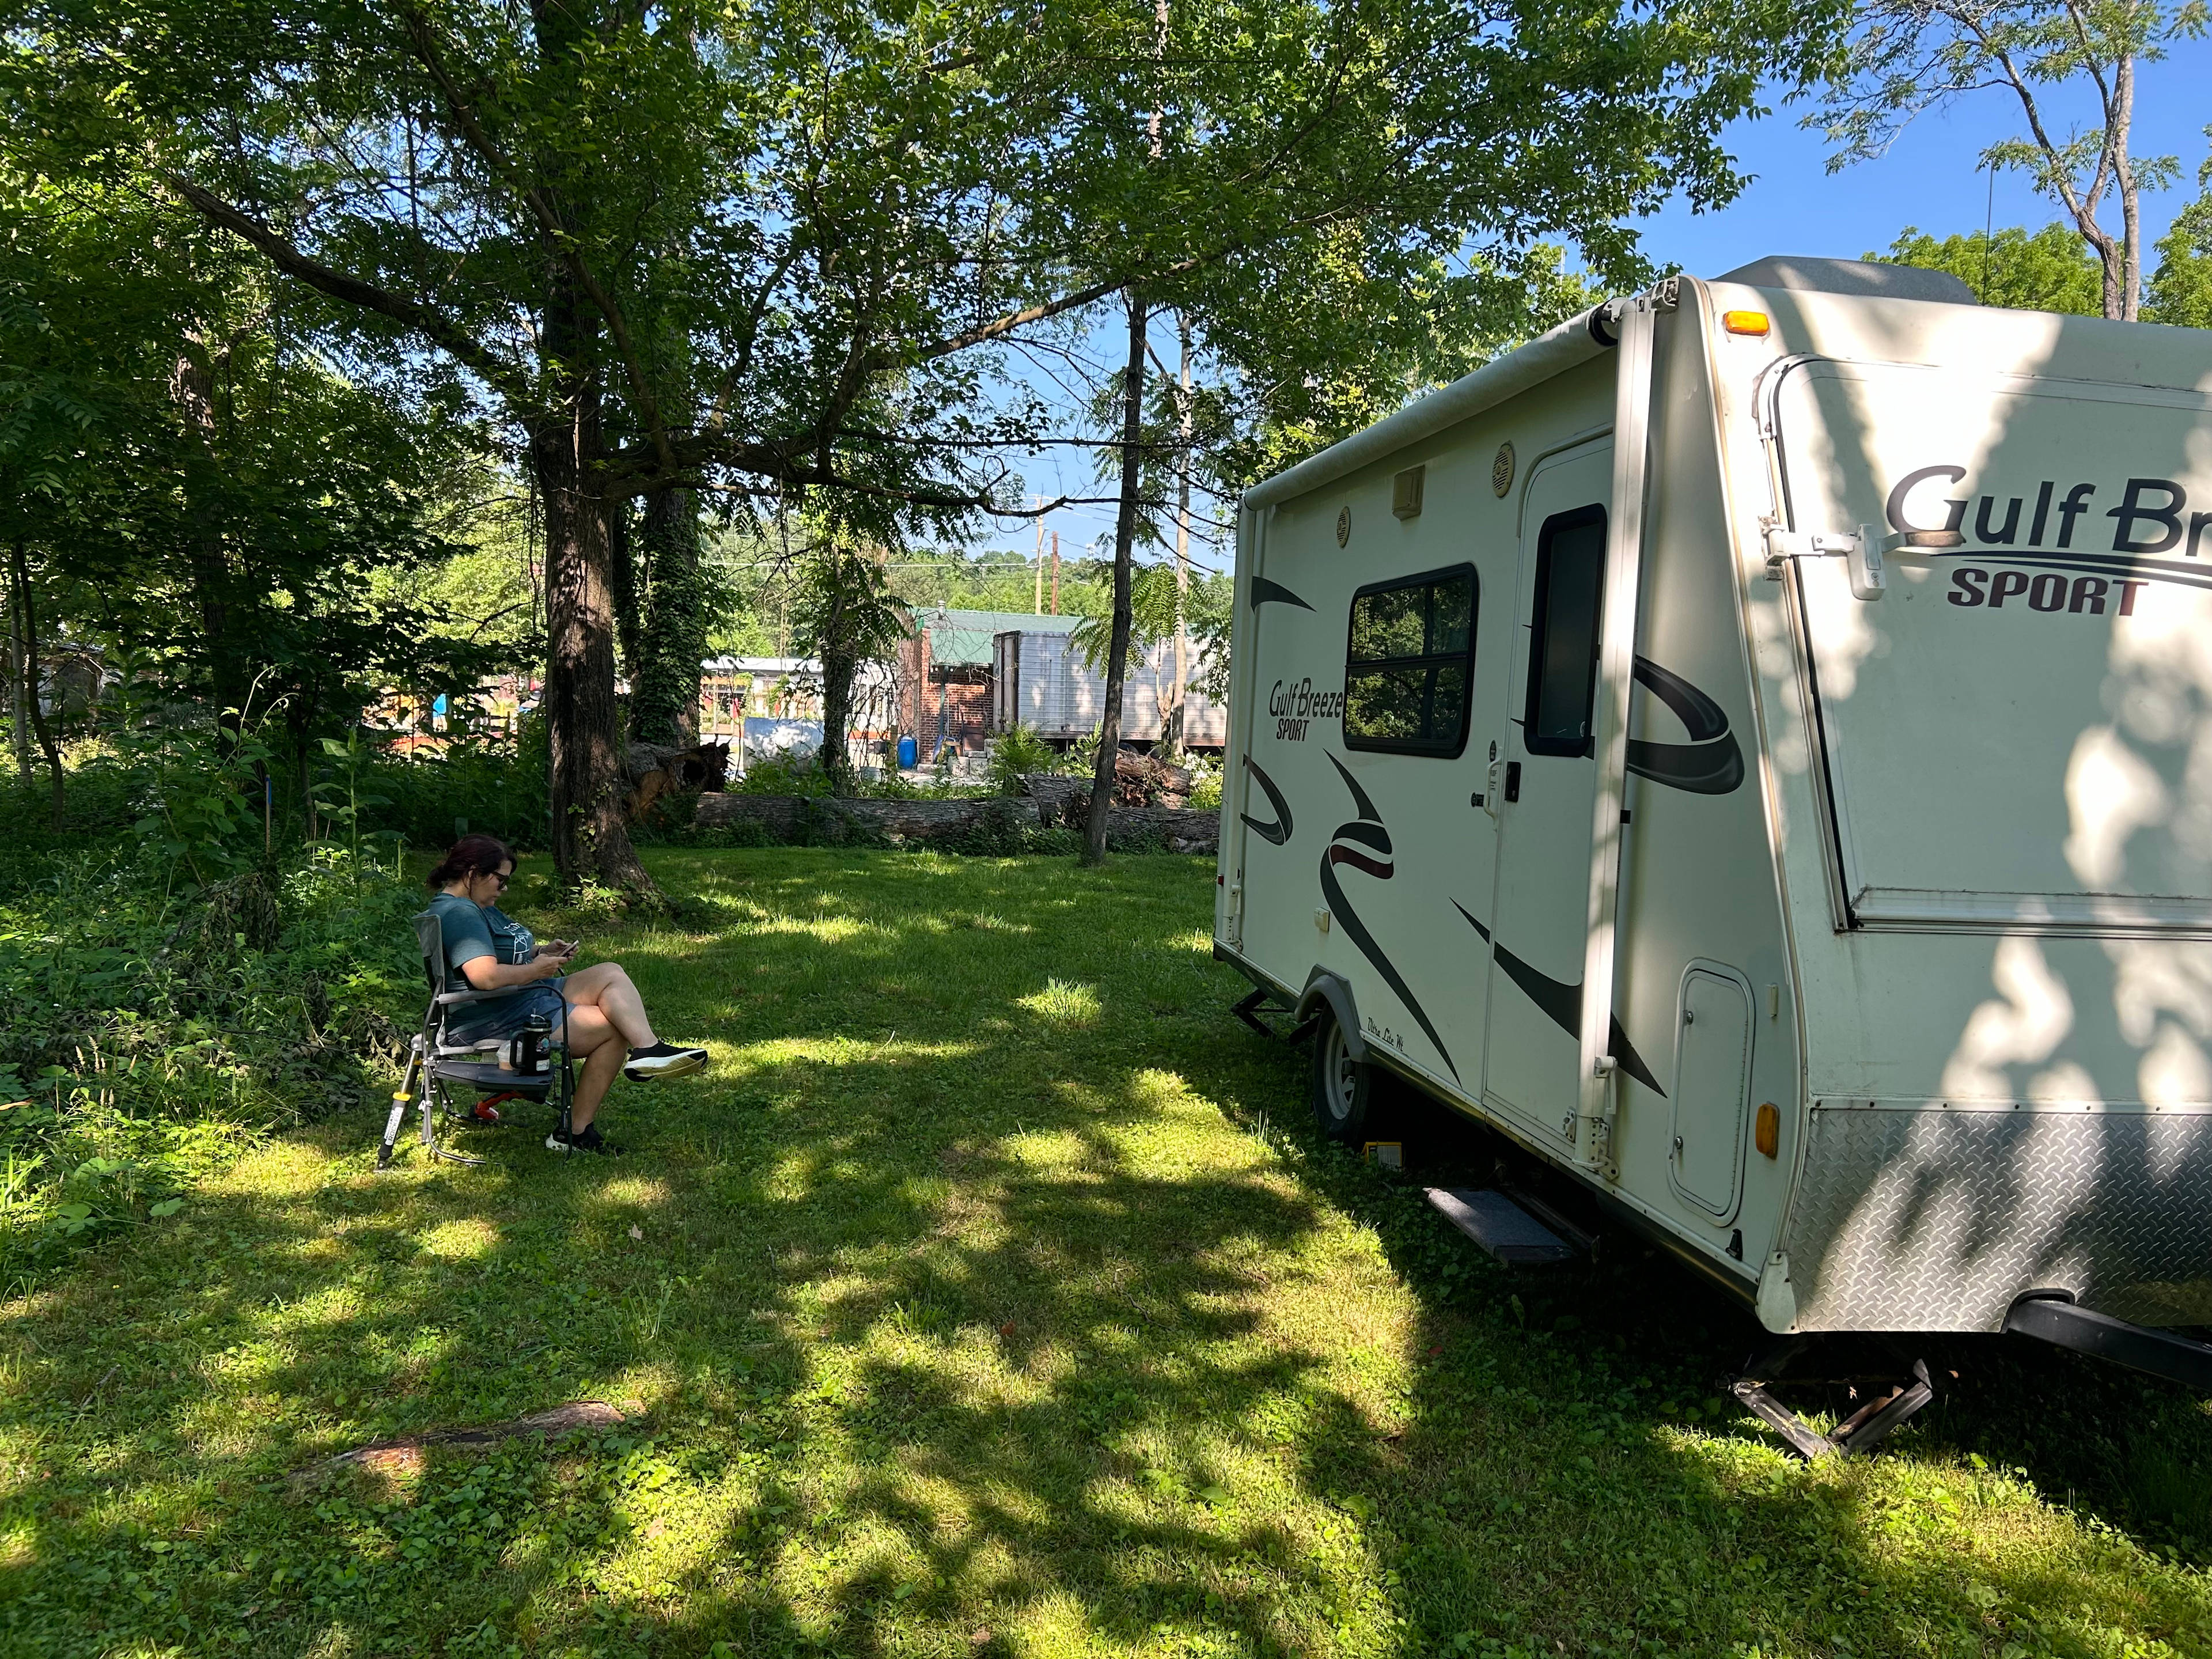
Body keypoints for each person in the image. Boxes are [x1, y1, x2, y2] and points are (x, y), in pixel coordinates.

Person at [423, 834, 707, 1155]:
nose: (504, 889)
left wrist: (540, 951)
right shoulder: (460, 913)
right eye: (501, 881)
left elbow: (493, 956)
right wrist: (537, 970)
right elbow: (485, 977)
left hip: (521, 995)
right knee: (611, 1030)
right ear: (473, 873)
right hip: (497, 1014)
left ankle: (648, 1049)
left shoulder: (472, 905)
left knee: (609, 972)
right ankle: (574, 1132)